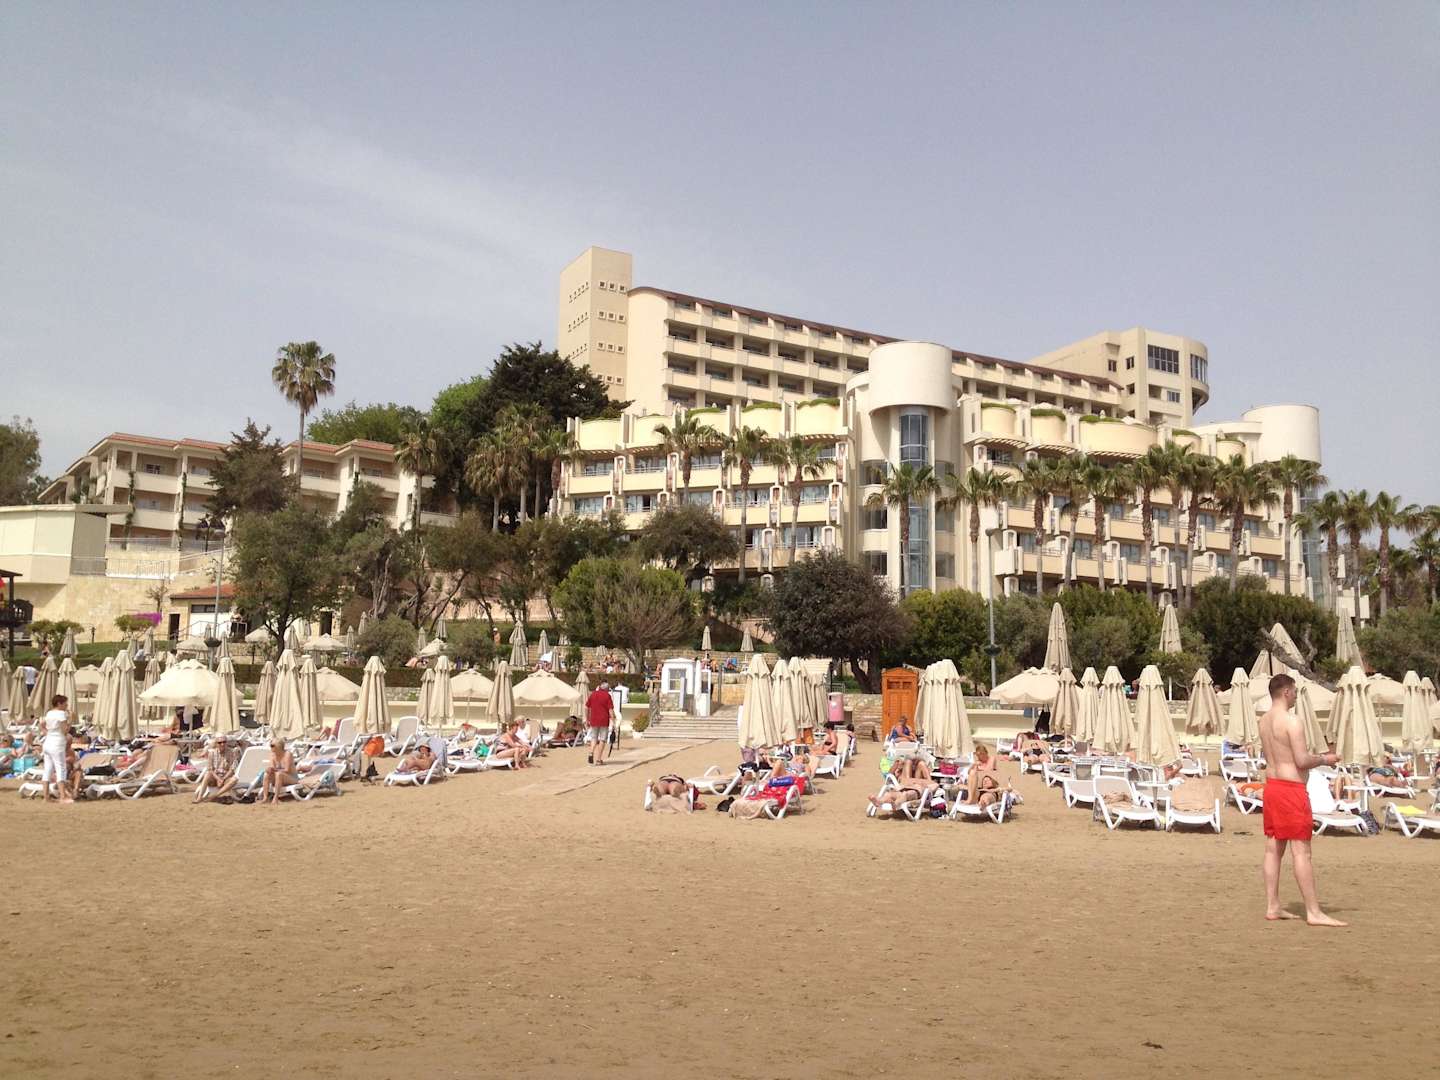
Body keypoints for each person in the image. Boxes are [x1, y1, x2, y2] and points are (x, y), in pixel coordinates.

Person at [1258, 674, 1345, 927]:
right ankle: (1313, 912)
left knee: (1273, 848)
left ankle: (1273, 905)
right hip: (1291, 790)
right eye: (1294, 691)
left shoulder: (1264, 721)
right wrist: (1325, 759)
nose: (1296, 696)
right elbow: (1301, 760)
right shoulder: (1292, 721)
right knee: (1301, 852)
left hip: (1272, 787)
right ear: (1286, 692)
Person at [41, 694, 74, 804]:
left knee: (47, 770)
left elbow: (42, 725)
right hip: (57, 743)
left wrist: (48, 733)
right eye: (65, 704)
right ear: (59, 703)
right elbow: (65, 731)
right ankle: (63, 796)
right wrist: (70, 720)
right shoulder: (61, 714)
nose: (66, 706)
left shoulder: (49, 713)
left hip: (48, 742)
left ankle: (46, 797)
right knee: (61, 769)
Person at [194, 737, 240, 803]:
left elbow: (232, 769)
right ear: (216, 744)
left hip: (226, 777)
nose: (222, 744)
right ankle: (199, 797)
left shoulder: (231, 753)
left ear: (226, 743)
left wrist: (223, 779)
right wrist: (218, 779)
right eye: (220, 743)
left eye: (224, 742)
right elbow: (210, 769)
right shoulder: (212, 753)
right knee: (207, 774)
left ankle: (214, 796)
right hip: (214, 777)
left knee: (234, 779)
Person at [258, 738, 299, 805]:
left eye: (272, 745)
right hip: (279, 777)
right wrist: (270, 770)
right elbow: (272, 768)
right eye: (270, 745)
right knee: (266, 774)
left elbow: (287, 770)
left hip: (292, 778)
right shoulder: (273, 755)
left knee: (279, 774)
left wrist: (275, 770)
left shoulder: (287, 754)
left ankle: (275, 798)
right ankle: (265, 798)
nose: (271, 747)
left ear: (279, 746)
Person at [585, 680, 615, 765]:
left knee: (594, 738)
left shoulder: (593, 694)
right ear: (607, 689)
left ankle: (591, 752)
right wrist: (613, 721)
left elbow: (586, 707)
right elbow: (610, 710)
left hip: (594, 719)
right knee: (602, 739)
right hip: (604, 720)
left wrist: (587, 718)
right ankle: (598, 759)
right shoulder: (607, 696)